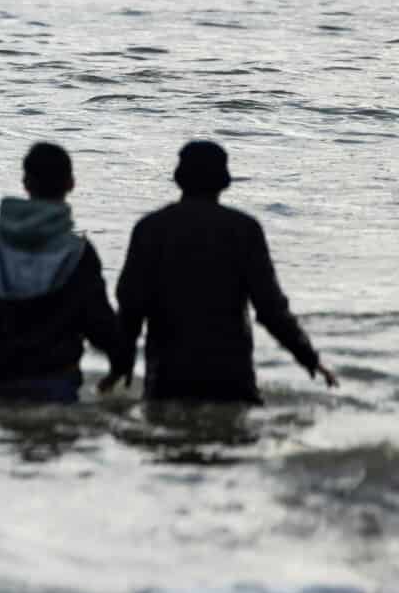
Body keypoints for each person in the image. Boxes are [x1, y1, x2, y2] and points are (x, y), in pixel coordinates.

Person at [108, 141, 336, 403]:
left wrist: (121, 364)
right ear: (224, 180)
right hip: (230, 374)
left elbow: (131, 307)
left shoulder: (149, 229)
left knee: (166, 439)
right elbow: (270, 307)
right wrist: (309, 358)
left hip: (168, 374)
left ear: (178, 178)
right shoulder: (244, 229)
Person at [0, 142, 129, 403]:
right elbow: (100, 327)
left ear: (26, 183)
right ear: (71, 184)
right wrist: (121, 361)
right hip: (57, 388)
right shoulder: (78, 254)